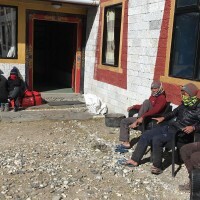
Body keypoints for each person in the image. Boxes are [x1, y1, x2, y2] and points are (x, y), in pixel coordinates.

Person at [121, 83, 200, 175]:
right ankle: (134, 160)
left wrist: (193, 127)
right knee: (147, 134)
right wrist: (163, 118)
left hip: (181, 133)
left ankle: (157, 166)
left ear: (190, 94)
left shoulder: (198, 108)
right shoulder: (185, 104)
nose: (182, 96)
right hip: (172, 127)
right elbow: (174, 112)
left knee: (157, 139)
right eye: (182, 93)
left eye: (184, 94)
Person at [116, 80, 167, 150]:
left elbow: (155, 110)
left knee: (146, 102)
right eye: (152, 88)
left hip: (151, 119)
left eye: (156, 88)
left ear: (160, 88)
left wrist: (142, 117)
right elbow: (144, 106)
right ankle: (126, 143)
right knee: (124, 121)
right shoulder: (153, 96)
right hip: (143, 117)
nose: (154, 90)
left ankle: (137, 122)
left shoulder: (162, 98)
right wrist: (133, 106)